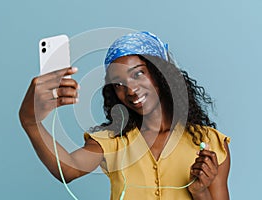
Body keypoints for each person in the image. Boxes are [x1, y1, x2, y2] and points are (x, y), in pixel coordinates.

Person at [19, 31, 230, 200]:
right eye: (118, 83)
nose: (130, 90)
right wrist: (30, 121)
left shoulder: (210, 143)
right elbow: (68, 170)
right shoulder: (113, 141)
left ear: (161, 73)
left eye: (138, 73)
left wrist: (200, 192)